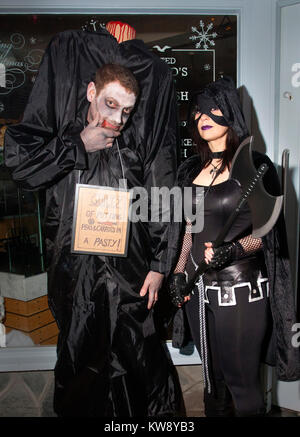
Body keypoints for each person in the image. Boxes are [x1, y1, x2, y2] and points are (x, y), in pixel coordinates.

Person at [4, 25, 183, 417]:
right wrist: (77, 146)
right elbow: (22, 167)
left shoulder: (135, 147)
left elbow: (163, 187)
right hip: (76, 268)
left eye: (126, 111)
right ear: (89, 91)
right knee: (82, 361)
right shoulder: (65, 137)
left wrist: (159, 264)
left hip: (131, 268)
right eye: (109, 105)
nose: (117, 119)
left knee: (138, 363)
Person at [167, 76, 300, 417]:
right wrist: (179, 272)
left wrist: (233, 250)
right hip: (199, 290)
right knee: (213, 381)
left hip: (241, 290)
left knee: (242, 382)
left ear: (230, 113)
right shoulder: (189, 170)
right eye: (198, 112)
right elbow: (187, 230)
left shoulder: (256, 167)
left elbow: (266, 234)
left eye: (213, 109)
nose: (203, 117)